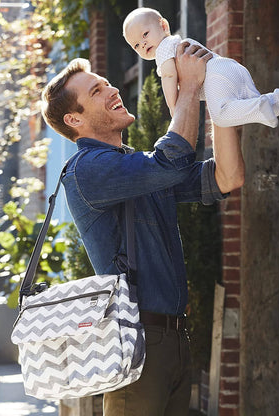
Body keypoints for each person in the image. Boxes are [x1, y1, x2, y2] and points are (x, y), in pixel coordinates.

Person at [41, 41, 245, 416]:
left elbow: (226, 177)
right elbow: (171, 161)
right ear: (74, 120)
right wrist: (189, 88)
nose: (112, 90)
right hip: (136, 341)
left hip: (173, 339)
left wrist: (218, 100)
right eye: (96, 91)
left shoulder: (135, 169)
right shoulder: (88, 170)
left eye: (106, 83)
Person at [123, 7, 279, 128]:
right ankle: (277, 100)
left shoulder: (164, 48)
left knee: (221, 116)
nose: (143, 43)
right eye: (136, 45)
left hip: (215, 76)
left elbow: (169, 76)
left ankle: (261, 106)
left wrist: (173, 108)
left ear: (163, 26)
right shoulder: (176, 42)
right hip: (231, 67)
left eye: (145, 34)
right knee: (247, 107)